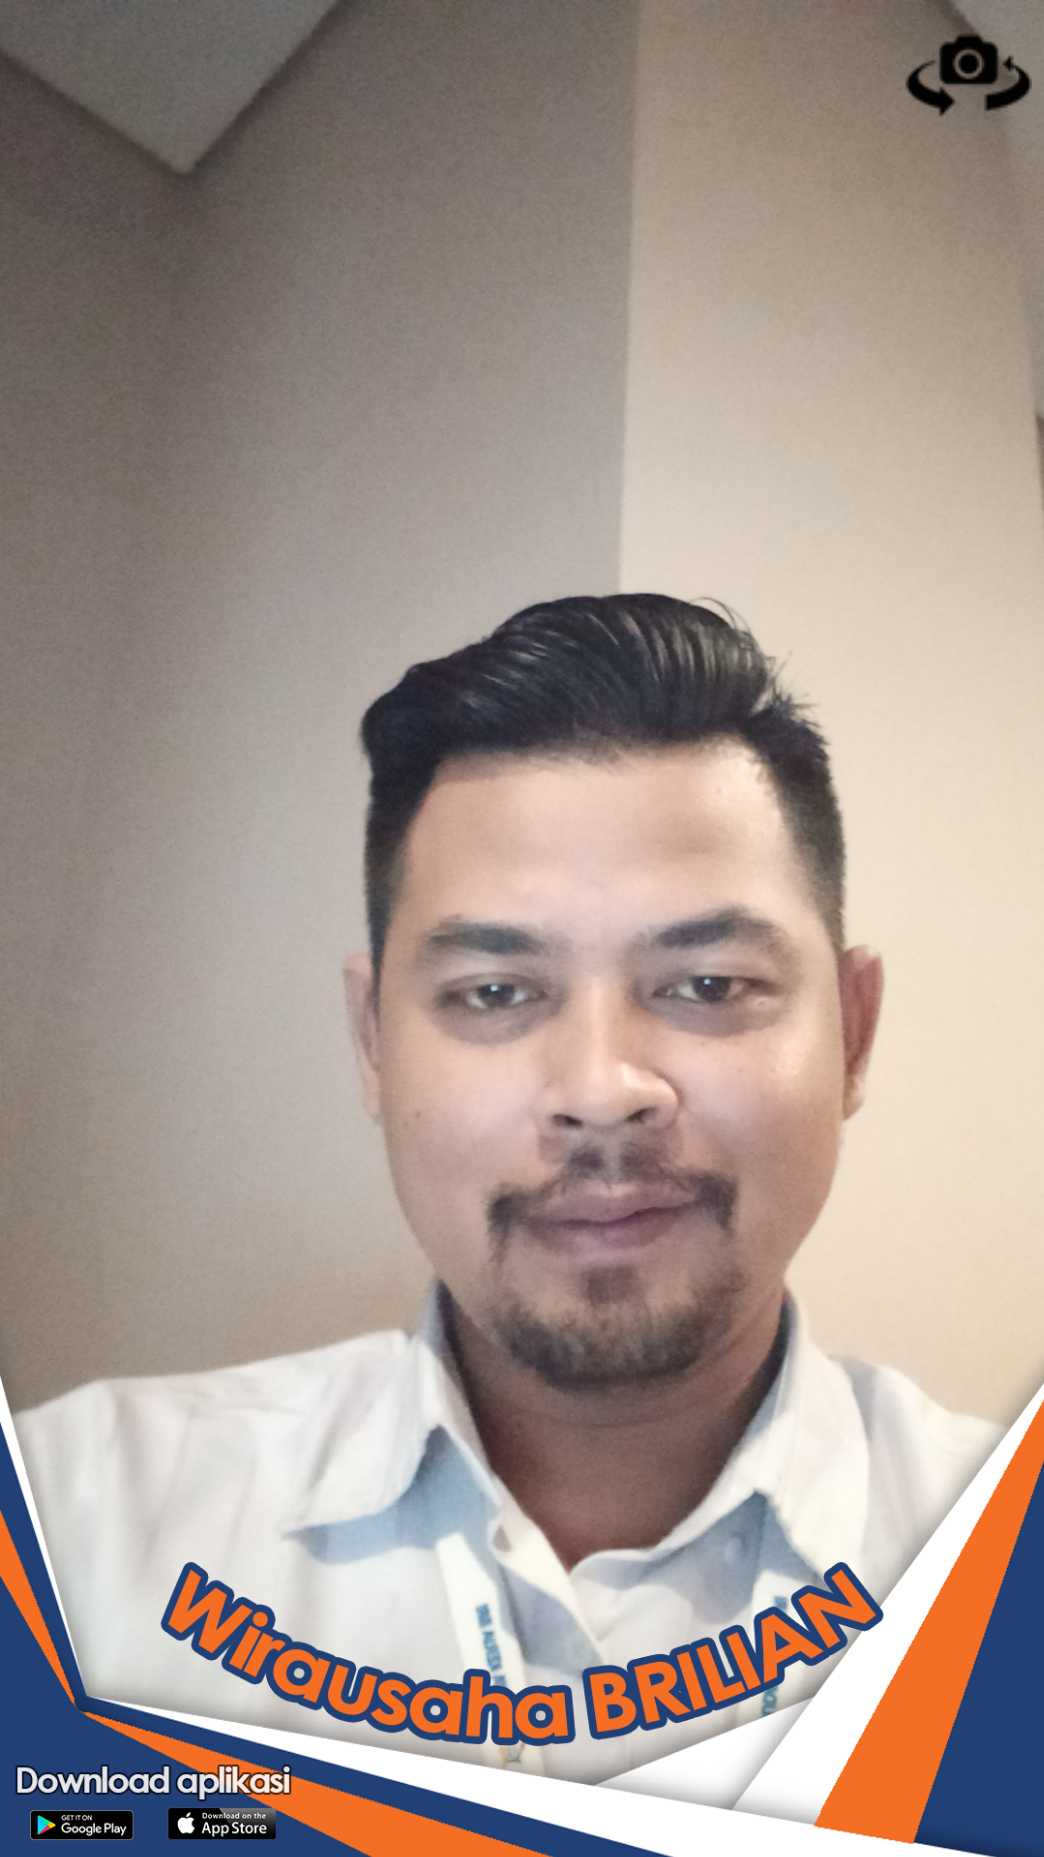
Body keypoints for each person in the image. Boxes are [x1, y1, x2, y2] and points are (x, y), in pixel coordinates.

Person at [15, 595, 997, 1783]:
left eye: (707, 984)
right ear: (372, 1043)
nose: (601, 1090)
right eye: (493, 993)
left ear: (852, 1032)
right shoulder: (69, 1536)